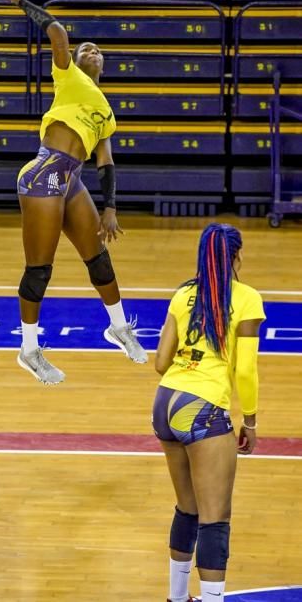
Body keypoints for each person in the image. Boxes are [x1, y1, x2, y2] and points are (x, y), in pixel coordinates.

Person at [0, 0, 147, 385]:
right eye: (86, 49)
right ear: (75, 62)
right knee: (40, 270)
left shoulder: (107, 112)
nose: (93, 51)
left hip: (73, 181)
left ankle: (117, 328)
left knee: (98, 258)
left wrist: (111, 207)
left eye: (98, 49)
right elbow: (57, 32)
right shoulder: (68, 78)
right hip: (44, 175)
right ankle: (29, 350)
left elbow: (106, 162)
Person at [152, 223, 265, 602]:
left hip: (166, 403)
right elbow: (245, 371)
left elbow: (161, 361)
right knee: (215, 517)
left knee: (188, 508)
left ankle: (177, 597)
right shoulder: (247, 299)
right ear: (236, 256)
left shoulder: (183, 294)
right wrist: (249, 419)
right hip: (203, 409)